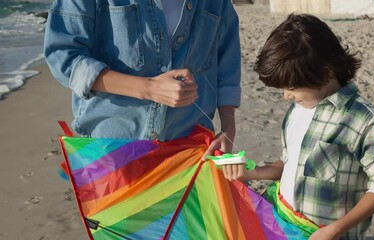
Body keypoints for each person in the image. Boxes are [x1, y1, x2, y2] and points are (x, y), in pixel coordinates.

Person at [222, 13, 374, 240]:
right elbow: (291, 164)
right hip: (283, 221)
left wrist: (335, 229)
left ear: (325, 73)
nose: (285, 96)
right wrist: (254, 173)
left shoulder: (363, 120)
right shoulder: (297, 111)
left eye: (292, 87)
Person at [43, 0, 241, 157]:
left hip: (192, 151)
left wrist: (228, 128)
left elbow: (227, 66)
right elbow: (63, 56)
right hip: (112, 152)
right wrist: (148, 88)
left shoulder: (218, 3)